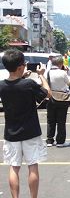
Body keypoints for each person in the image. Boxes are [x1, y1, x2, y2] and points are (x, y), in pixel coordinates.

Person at [0, 49, 51, 198]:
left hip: (11, 132)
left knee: (14, 168)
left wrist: (22, 76)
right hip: (31, 131)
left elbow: (14, 84)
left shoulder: (2, 85)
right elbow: (48, 93)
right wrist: (41, 75)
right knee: (33, 166)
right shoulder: (28, 84)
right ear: (21, 66)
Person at [46, 56, 70, 147]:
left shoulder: (47, 73)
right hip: (62, 98)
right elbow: (69, 83)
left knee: (50, 120)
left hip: (50, 98)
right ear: (61, 64)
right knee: (61, 121)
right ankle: (60, 141)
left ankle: (49, 140)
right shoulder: (62, 73)